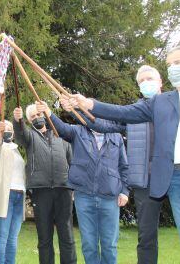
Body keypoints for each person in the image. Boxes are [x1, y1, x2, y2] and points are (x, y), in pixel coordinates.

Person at [73, 46, 180, 263]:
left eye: (177, 63)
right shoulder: (160, 103)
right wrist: (89, 104)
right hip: (176, 181)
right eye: (169, 65)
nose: (172, 68)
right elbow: (123, 113)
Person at [65, 65, 166, 264]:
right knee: (146, 237)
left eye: (149, 79)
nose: (146, 83)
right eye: (141, 81)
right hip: (146, 181)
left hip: (176, 173)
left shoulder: (173, 104)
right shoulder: (135, 112)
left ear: (161, 81)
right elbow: (103, 124)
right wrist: (81, 109)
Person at [36, 101, 129, 264]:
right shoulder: (78, 132)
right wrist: (48, 113)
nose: (95, 120)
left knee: (109, 245)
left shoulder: (116, 136)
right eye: (91, 116)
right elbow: (62, 128)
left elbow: (124, 166)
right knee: (89, 245)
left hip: (110, 198)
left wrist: (125, 192)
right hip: (84, 197)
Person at [13, 104, 77, 264]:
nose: (37, 118)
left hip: (64, 189)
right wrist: (17, 120)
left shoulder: (61, 135)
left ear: (46, 114)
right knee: (44, 237)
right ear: (29, 120)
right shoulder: (29, 137)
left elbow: (72, 162)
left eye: (38, 114)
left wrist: (74, 186)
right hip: (41, 191)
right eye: (32, 117)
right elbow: (20, 134)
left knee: (67, 235)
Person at [0, 120, 26, 264]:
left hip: (19, 195)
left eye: (10, 128)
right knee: (2, 237)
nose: (8, 130)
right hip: (5, 197)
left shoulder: (16, 149)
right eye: (5, 128)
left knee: (12, 239)